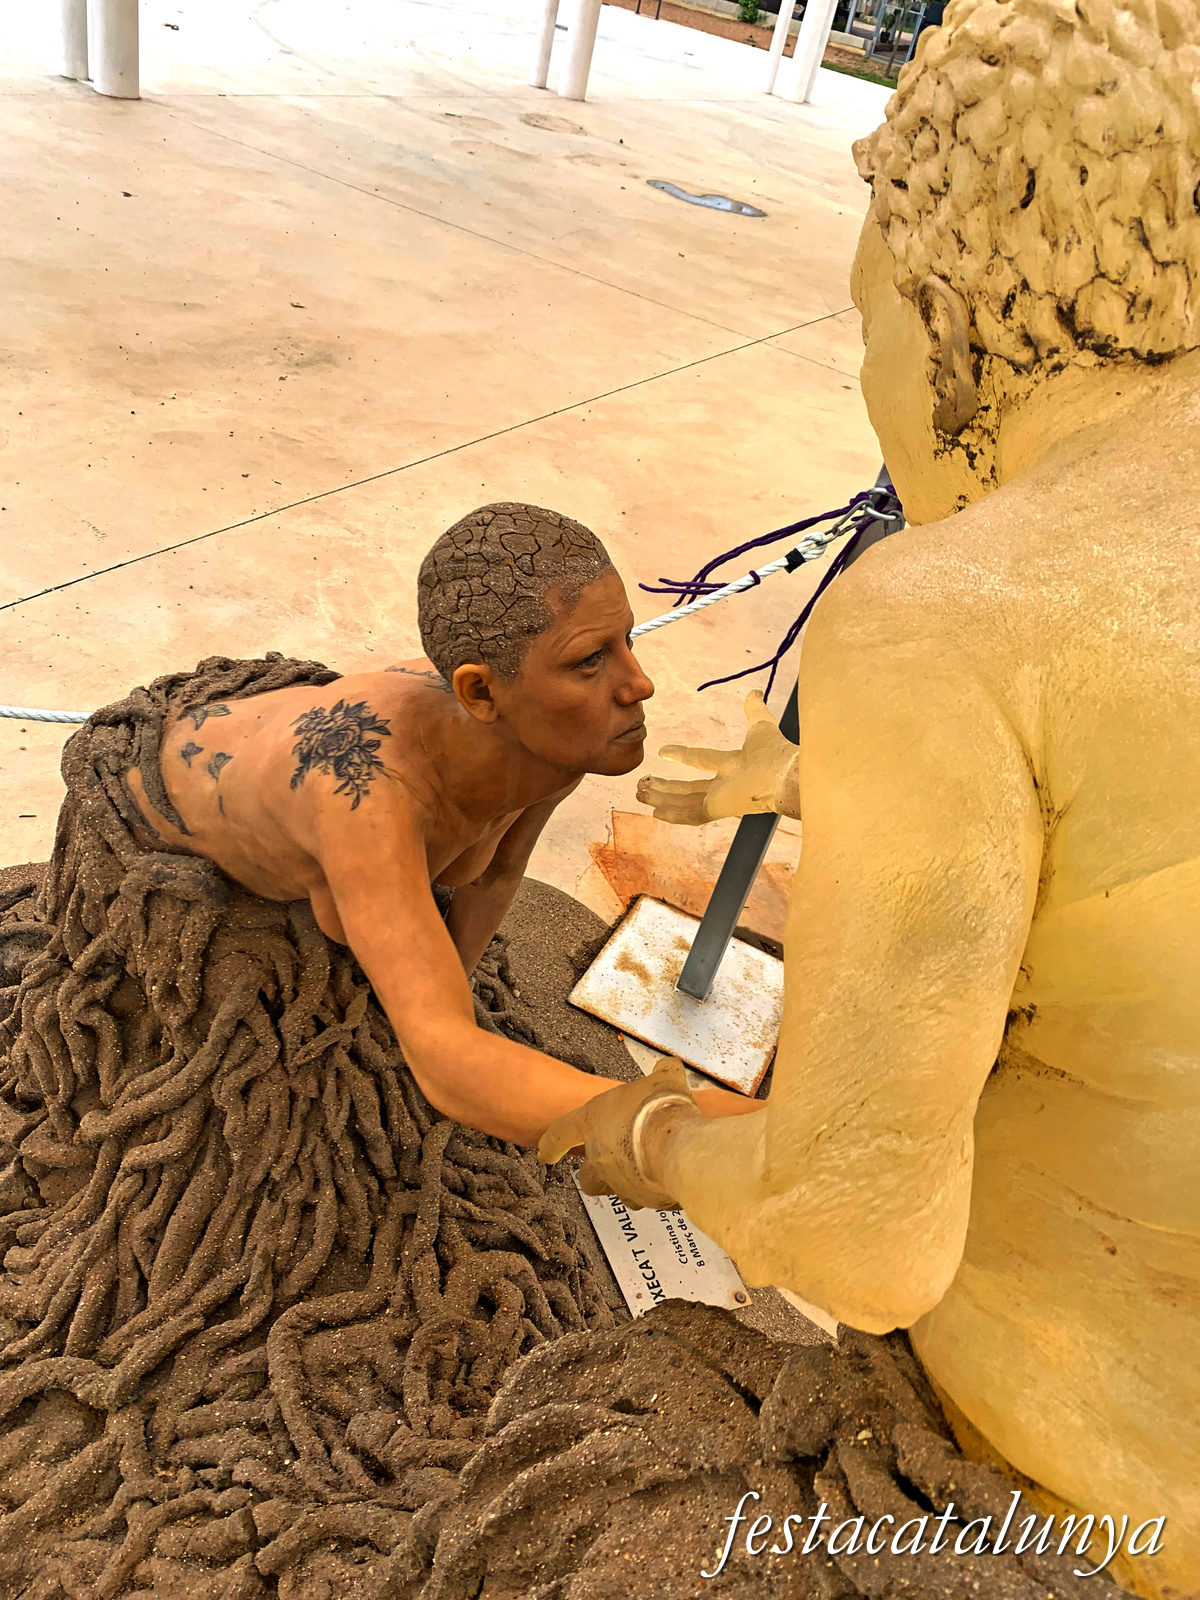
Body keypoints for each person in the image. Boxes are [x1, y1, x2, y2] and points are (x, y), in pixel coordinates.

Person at [539, 0, 1200, 1588]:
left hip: (1107, 1472)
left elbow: (859, 1237)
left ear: (943, 286)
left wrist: (642, 1138)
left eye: (867, 335)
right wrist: (770, 800)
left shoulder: (951, 609)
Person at [124, 501, 756, 1147]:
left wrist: (449, 994)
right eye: (590, 660)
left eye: (628, 640)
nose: (640, 684)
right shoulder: (367, 794)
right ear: (480, 693)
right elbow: (446, 1066)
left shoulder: (554, 734)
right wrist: (688, 1141)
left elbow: (497, 874)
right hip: (163, 806)